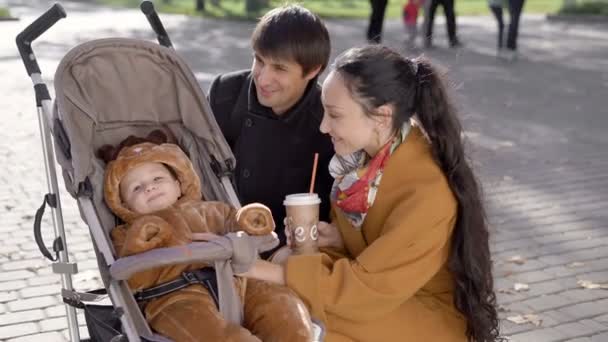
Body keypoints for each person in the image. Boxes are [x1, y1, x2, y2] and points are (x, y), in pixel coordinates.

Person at [235, 45, 503, 341]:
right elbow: (363, 260)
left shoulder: (426, 190)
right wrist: (335, 239)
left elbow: (366, 289)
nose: (324, 127)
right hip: (379, 299)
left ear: (381, 117)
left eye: (335, 115)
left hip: (423, 316)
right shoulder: (359, 165)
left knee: (299, 326)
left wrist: (260, 269)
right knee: (280, 310)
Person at [97, 131, 314, 342]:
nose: (149, 187)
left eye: (157, 178)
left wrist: (250, 220)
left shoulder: (211, 209)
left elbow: (235, 223)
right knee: (215, 335)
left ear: (178, 184)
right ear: (124, 205)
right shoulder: (126, 232)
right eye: (136, 188)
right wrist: (140, 242)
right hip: (175, 298)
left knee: (282, 307)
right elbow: (133, 278)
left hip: (235, 281)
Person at [207, 4, 334, 258]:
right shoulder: (225, 93)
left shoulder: (330, 120)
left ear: (313, 70)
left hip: (288, 256)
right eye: (259, 60)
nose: (263, 79)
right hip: (219, 243)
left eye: (279, 68)